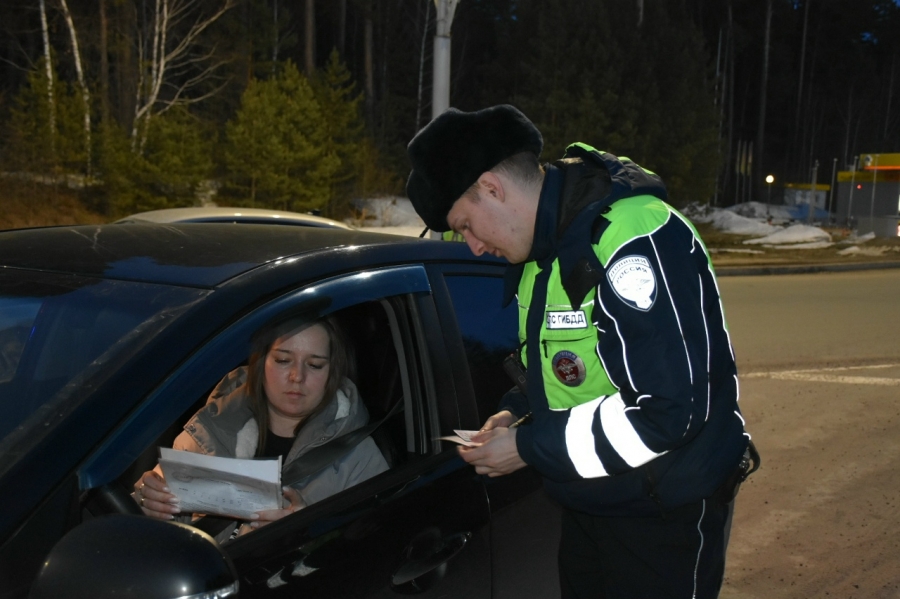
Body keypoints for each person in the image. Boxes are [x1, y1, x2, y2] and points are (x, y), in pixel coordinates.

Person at [405, 104, 752, 598]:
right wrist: (513, 414)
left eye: (465, 225)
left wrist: (526, 448)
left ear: (492, 188)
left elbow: (666, 413)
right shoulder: (544, 254)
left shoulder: (632, 239)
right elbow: (561, 366)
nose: (473, 247)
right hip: (591, 505)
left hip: (662, 516)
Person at [133, 315, 389, 538]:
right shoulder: (206, 433)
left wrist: (309, 529)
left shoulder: (359, 459)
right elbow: (163, 538)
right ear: (260, 361)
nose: (297, 376)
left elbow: (371, 554)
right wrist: (149, 505)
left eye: (314, 365)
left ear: (332, 373)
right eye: (283, 360)